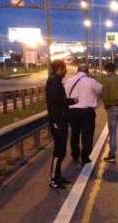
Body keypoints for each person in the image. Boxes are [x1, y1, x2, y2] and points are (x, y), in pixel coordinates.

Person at [46, 59, 78, 189]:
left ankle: (58, 176)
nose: (66, 71)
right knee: (59, 150)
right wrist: (72, 101)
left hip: (61, 120)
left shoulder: (56, 81)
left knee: (62, 150)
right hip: (57, 121)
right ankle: (53, 179)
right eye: (65, 69)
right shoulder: (54, 82)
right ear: (60, 69)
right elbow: (57, 100)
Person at [64, 65, 103, 165]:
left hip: (73, 111)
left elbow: (65, 94)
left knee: (74, 133)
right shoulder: (90, 81)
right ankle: (85, 156)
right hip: (87, 112)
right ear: (87, 71)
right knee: (87, 134)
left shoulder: (69, 81)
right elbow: (100, 90)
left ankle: (75, 154)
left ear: (77, 71)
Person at [101, 61, 118, 162]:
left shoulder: (107, 80)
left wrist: (106, 105)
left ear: (107, 70)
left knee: (112, 133)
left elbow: (105, 95)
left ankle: (112, 155)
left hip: (112, 107)